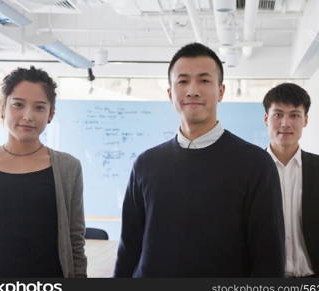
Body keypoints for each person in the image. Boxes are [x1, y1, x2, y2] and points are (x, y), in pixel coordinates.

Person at [114, 43, 285, 277]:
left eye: (204, 81)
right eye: (182, 81)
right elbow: (129, 247)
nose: (192, 90)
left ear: (221, 91)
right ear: (170, 93)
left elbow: (269, 256)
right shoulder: (146, 164)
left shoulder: (256, 164)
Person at [0, 66, 87, 278]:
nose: (28, 116)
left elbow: (75, 238)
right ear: (3, 108)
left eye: (39, 107)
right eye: (18, 105)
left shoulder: (69, 168)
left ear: (51, 114)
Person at [263, 83, 319, 277]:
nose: (285, 123)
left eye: (294, 115)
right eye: (278, 114)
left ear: (305, 120)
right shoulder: (249, 171)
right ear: (266, 119)